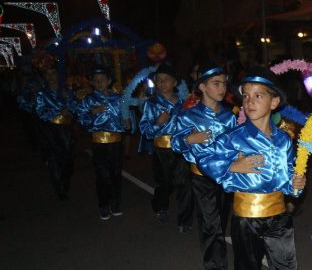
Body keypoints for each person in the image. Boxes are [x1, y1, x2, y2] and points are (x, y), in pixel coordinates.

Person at [197, 67, 312, 270]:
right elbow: (205, 159)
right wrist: (231, 166)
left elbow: (289, 180)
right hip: (245, 216)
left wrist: (297, 184)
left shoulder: (284, 140)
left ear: (274, 103)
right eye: (246, 96)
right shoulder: (233, 137)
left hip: (278, 218)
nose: (250, 101)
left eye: (258, 96)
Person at [172, 64, 237, 270]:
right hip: (201, 178)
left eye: (224, 83)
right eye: (216, 83)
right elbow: (175, 142)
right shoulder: (189, 115)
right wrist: (190, 139)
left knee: (221, 219)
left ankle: (220, 261)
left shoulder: (230, 116)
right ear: (202, 87)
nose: (222, 88)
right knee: (211, 224)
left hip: (226, 178)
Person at [139, 63, 194, 232]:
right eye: (159, 80)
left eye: (166, 80)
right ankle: (160, 207)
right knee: (165, 183)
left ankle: (184, 221)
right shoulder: (152, 103)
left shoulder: (184, 104)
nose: (162, 83)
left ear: (174, 83)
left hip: (181, 149)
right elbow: (145, 131)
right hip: (161, 151)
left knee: (184, 184)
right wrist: (158, 123)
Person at [75, 66, 129, 220]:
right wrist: (92, 112)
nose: (99, 83)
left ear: (109, 81)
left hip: (116, 143)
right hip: (99, 143)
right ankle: (104, 206)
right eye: (96, 80)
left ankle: (116, 204)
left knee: (116, 174)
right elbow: (81, 117)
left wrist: (127, 121)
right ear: (92, 82)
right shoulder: (89, 99)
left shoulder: (118, 99)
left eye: (102, 80)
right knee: (102, 175)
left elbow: (126, 116)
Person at [35, 66, 76, 200]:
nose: (51, 76)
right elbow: (40, 113)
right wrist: (58, 111)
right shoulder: (42, 94)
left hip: (67, 130)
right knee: (54, 160)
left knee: (68, 160)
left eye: (53, 73)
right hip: (50, 130)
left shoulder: (66, 91)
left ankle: (65, 182)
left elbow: (74, 108)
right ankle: (60, 189)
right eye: (47, 74)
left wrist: (68, 102)